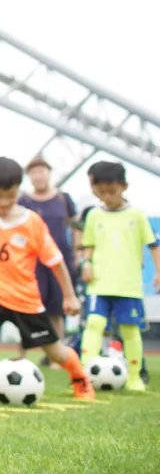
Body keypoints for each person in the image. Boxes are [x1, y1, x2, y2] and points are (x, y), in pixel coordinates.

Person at [0, 157, 95, 400]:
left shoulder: (32, 222)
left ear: (19, 189)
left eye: (11, 196)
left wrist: (69, 296)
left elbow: (56, 262)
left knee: (56, 352)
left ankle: (80, 378)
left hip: (26, 301)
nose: (4, 203)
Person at [79, 160, 158, 392]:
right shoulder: (94, 215)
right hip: (99, 282)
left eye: (112, 191)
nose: (107, 197)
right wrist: (85, 263)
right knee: (94, 324)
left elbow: (153, 245)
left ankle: (134, 377)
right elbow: (88, 245)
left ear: (124, 187)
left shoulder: (137, 215)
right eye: (101, 192)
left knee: (129, 329)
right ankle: (84, 378)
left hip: (128, 284)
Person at [17, 155, 79, 359]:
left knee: (56, 309)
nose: (38, 175)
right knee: (26, 308)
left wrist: (78, 252)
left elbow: (76, 226)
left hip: (59, 261)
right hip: (32, 262)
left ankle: (56, 357)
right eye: (34, 172)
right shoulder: (23, 201)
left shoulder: (63, 198)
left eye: (42, 171)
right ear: (29, 176)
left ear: (49, 173)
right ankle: (21, 354)